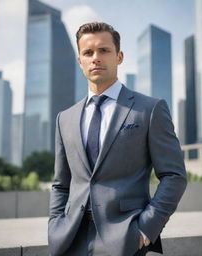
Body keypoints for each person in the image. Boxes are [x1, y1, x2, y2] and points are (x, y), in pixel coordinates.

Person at [48, 22, 187, 256]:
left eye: (104, 50)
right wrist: (55, 226)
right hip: (69, 240)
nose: (96, 58)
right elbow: (61, 183)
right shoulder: (65, 118)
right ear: (79, 60)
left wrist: (145, 230)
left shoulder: (150, 109)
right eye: (88, 52)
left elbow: (174, 176)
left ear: (119, 56)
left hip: (126, 239)